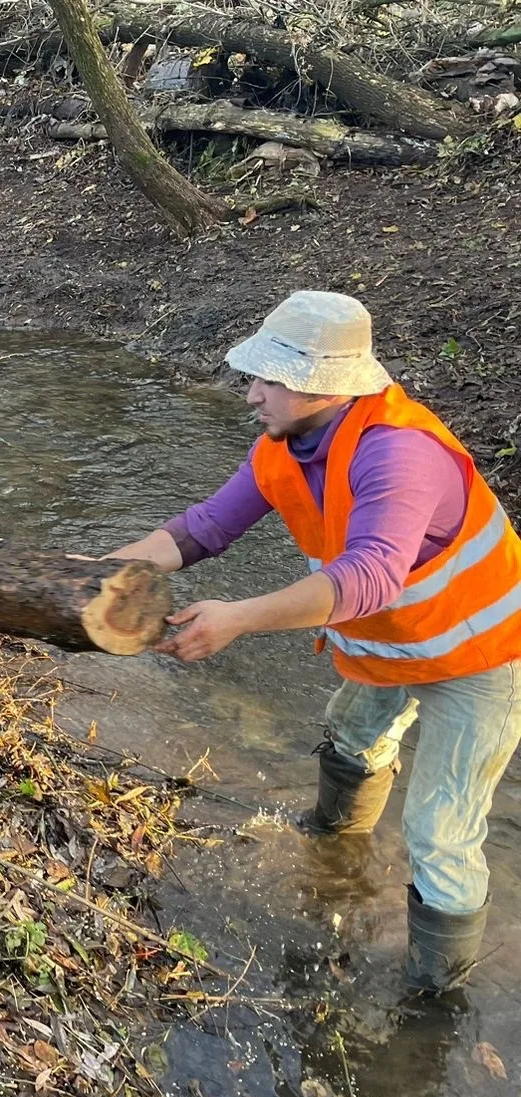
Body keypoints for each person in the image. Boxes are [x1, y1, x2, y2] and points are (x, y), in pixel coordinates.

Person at [105, 291, 521, 993]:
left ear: (326, 385)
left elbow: (369, 578)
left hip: (482, 657)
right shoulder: (286, 444)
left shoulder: (398, 453)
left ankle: (434, 1001)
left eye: (269, 380)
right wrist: (100, 576)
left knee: (441, 834)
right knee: (352, 737)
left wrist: (236, 618)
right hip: (389, 646)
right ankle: (335, 852)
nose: (250, 394)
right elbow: (203, 528)